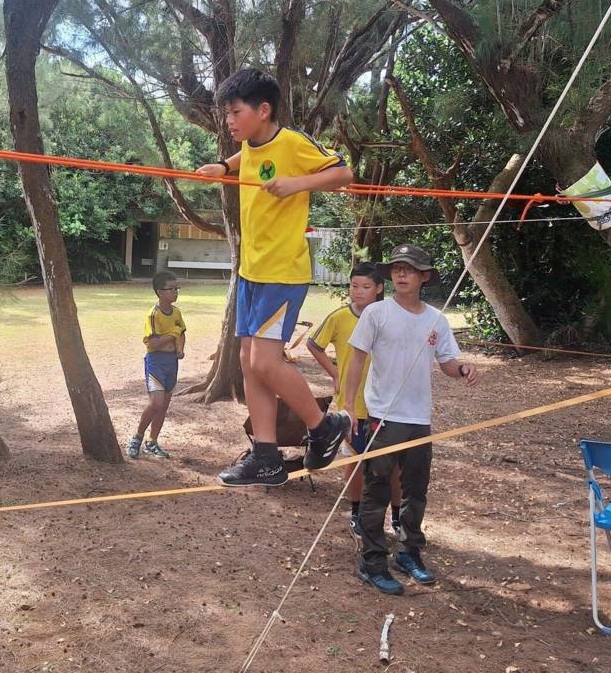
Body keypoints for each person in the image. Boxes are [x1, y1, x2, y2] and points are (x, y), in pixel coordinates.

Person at [195, 69, 355, 487]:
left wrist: (298, 184)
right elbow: (247, 157)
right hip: (252, 271)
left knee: (265, 361)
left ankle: (324, 426)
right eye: (226, 114)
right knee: (250, 364)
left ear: (263, 110)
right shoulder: (249, 145)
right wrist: (222, 168)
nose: (228, 121)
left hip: (282, 272)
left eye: (234, 112)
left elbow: (342, 174)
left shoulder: (293, 143)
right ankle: (265, 455)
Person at [343, 244, 479, 596]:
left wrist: (462, 369)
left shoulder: (436, 318)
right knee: (377, 491)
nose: (401, 274)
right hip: (382, 417)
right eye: (397, 268)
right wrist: (349, 406)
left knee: (414, 491)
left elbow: (448, 363)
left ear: (425, 277)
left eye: (410, 269)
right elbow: (356, 360)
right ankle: (372, 562)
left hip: (418, 418)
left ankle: (409, 553)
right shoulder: (376, 313)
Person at [306, 262, 404, 540]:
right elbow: (314, 344)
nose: (358, 292)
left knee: (394, 464)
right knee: (355, 461)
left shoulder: (389, 316)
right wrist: (335, 372)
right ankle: (356, 514)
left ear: (379, 289)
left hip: (386, 403)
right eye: (353, 286)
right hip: (352, 404)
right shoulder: (339, 317)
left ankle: (397, 518)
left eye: (365, 287)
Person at [128, 272, 186, 460]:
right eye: (172, 289)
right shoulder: (153, 315)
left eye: (177, 288)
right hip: (156, 362)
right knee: (156, 403)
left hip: (172, 362)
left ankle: (152, 442)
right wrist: (173, 333)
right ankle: (137, 437)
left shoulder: (176, 312)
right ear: (160, 292)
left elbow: (182, 332)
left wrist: (180, 348)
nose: (176, 292)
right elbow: (153, 343)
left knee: (164, 406)